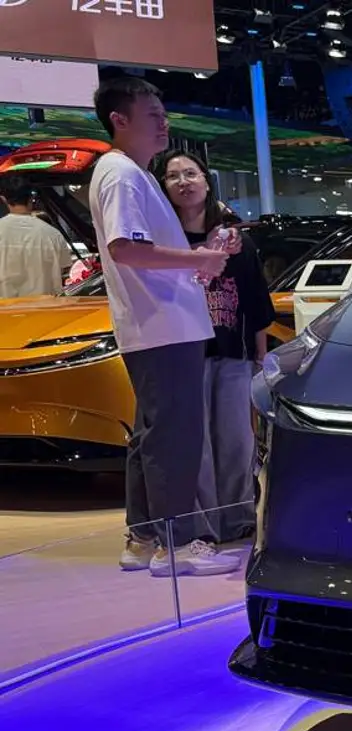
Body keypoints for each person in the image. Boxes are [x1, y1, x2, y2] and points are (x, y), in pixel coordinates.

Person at [88, 76, 239, 577]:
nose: (164, 122)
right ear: (120, 120)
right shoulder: (121, 174)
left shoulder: (129, 173)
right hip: (163, 326)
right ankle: (178, 545)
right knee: (174, 436)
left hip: (159, 324)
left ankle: (144, 538)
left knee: (153, 435)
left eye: (163, 113)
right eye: (152, 114)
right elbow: (125, 249)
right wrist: (198, 258)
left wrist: (197, 258)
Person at [155, 149, 275, 544]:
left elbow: (256, 303)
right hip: (184, 356)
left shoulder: (237, 241)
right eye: (173, 176)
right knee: (198, 447)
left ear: (207, 182)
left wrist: (260, 357)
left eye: (191, 173)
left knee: (237, 441)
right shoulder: (164, 245)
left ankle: (238, 519)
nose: (183, 182)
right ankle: (202, 528)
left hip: (233, 354)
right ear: (163, 187)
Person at [0, 175, 73, 298]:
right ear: (31, 198)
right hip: (45, 307)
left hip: (5, 308)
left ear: (3, 199)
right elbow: (64, 269)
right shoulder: (52, 234)